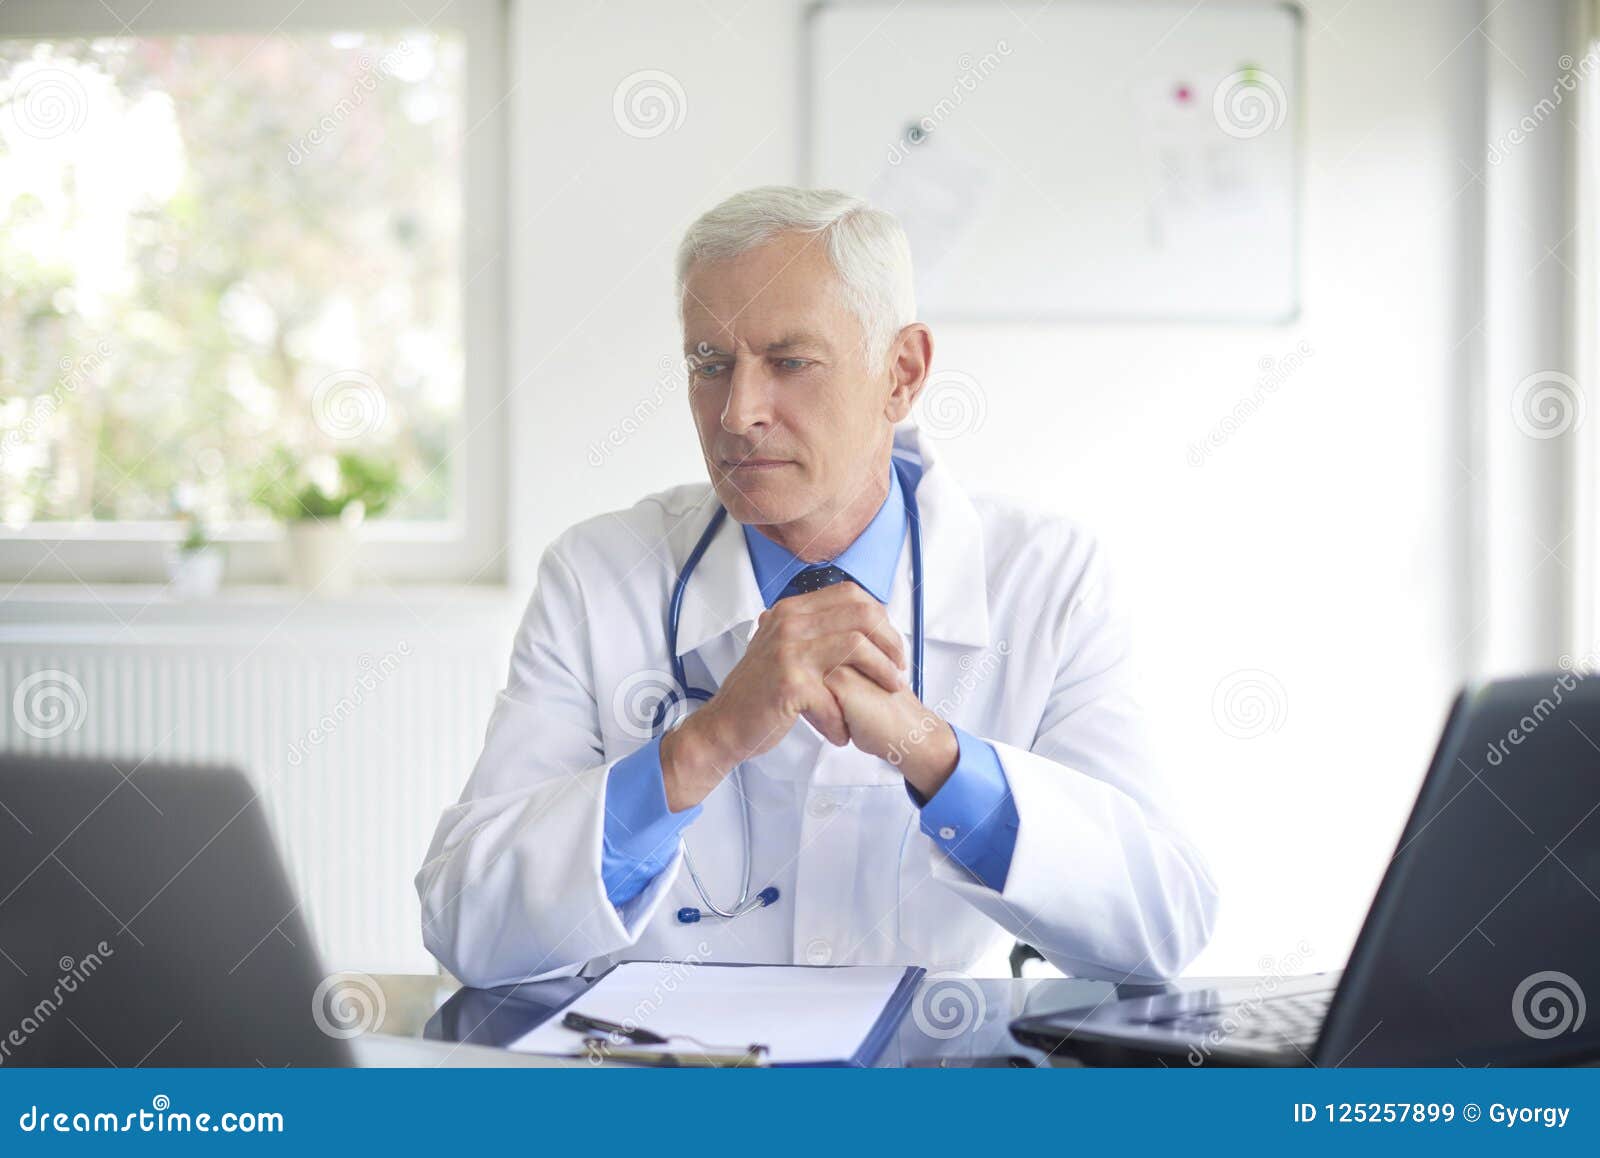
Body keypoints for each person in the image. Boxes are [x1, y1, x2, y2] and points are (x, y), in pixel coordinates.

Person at [416, 186, 1218, 988]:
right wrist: (706, 743)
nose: (737, 413)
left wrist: (932, 753)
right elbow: (469, 924)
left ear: (901, 374)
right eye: (710, 365)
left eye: (789, 362)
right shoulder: (598, 576)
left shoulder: (1047, 580)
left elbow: (1161, 923)